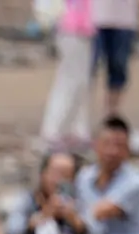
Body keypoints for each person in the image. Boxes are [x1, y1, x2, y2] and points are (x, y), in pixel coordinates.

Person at [42, 0, 94, 152]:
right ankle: (54, 130)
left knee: (79, 83)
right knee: (70, 82)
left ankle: (74, 129)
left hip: (78, 28)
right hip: (73, 27)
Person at [93, 0, 139, 118]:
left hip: (124, 21)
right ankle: (82, 111)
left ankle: (112, 111)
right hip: (94, 19)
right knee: (89, 67)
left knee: (119, 65)